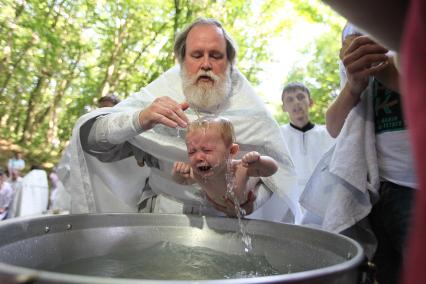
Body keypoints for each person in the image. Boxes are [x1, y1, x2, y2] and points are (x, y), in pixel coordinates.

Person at [67, 17, 296, 218]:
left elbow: (278, 174)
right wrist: (139, 119)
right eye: (196, 55)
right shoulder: (156, 94)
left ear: (229, 63)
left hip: (227, 223)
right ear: (181, 60)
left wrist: (250, 202)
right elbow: (92, 141)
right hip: (162, 216)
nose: (205, 64)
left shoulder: (250, 109)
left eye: (216, 56)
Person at [323, 23, 416, 284]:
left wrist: (389, 73)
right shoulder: (352, 27)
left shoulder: (409, 15)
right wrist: (353, 86)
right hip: (375, 190)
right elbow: (333, 126)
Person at [172, 116, 278, 216]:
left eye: (207, 150)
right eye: (192, 152)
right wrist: (178, 173)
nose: (198, 157)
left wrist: (259, 161)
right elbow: (182, 181)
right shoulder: (197, 174)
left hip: (248, 200)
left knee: (258, 184)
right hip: (218, 205)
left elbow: (272, 170)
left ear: (231, 151)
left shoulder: (241, 169)